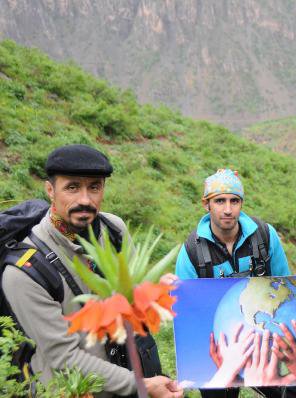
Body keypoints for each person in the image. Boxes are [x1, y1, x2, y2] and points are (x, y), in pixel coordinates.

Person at [1, 144, 182, 397]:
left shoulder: (113, 230)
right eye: (72, 187)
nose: (85, 200)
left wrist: (154, 291)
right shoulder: (25, 272)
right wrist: (141, 385)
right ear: (50, 190)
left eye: (94, 187)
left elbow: (129, 300)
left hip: (126, 371)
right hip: (74, 389)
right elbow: (64, 357)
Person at [175, 169, 296, 398]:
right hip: (218, 345)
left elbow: (285, 286)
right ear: (206, 204)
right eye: (219, 201)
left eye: (234, 201)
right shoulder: (191, 251)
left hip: (265, 337)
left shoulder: (264, 236)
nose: (228, 209)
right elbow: (185, 312)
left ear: (241, 203)